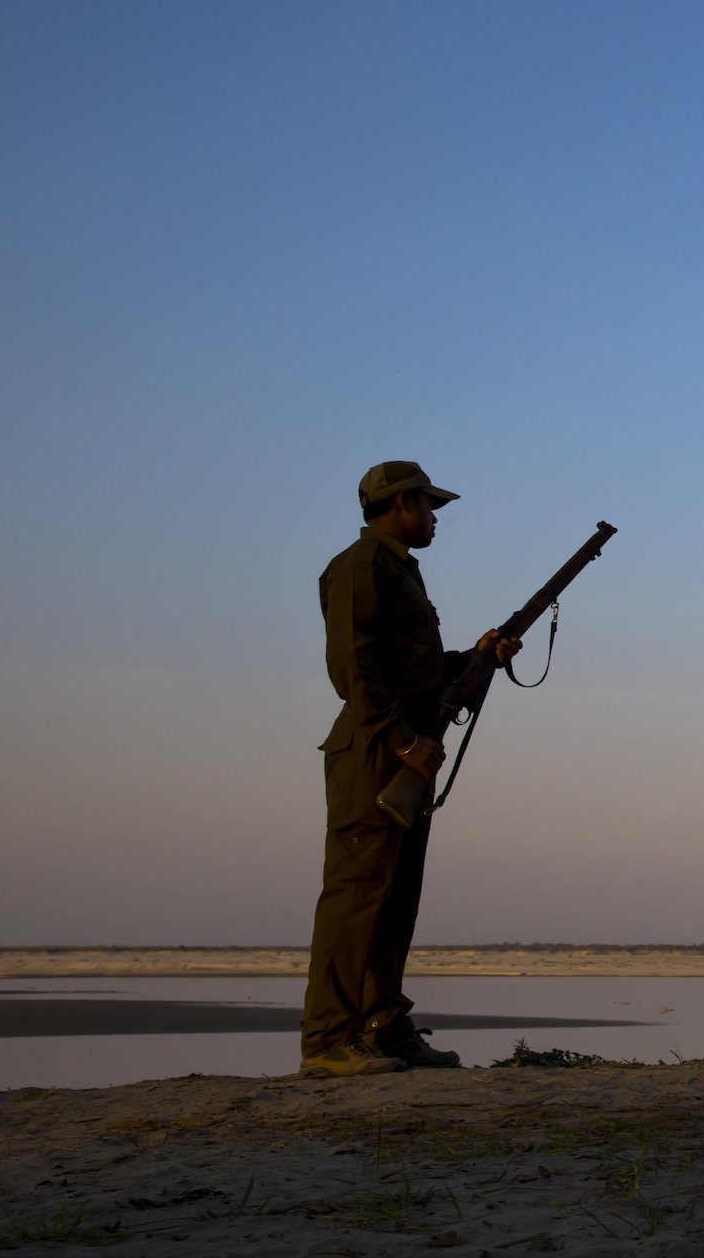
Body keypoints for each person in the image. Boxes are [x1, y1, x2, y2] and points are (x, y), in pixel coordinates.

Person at [301, 461, 520, 1077]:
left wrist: (476, 660)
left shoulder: (397, 569)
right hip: (377, 751)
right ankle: (326, 1040)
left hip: (406, 748)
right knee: (356, 895)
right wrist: (401, 740)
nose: (434, 518)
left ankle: (383, 1027)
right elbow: (353, 666)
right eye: (429, 506)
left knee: (394, 900)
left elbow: (416, 673)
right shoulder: (360, 566)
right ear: (400, 503)